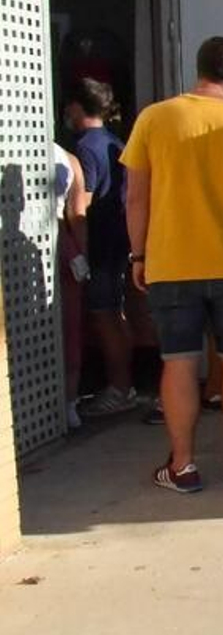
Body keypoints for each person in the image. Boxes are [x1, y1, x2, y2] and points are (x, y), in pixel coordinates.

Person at [122, 36, 223, 493]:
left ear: (199, 69)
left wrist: (139, 254)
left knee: (177, 362)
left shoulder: (155, 117)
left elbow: (137, 196)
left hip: (171, 264)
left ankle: (184, 465)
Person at [62, 78, 136, 418]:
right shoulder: (112, 141)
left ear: (78, 107)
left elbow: (81, 208)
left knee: (104, 316)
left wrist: (82, 254)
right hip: (119, 242)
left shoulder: (86, 147)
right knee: (115, 316)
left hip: (101, 247)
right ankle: (125, 385)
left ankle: (119, 388)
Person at [53, 143, 90, 427]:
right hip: (65, 248)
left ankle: (67, 403)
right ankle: (69, 403)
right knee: (70, 327)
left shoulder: (68, 159)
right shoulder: (68, 158)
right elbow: (78, 215)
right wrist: (81, 256)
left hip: (59, 249)